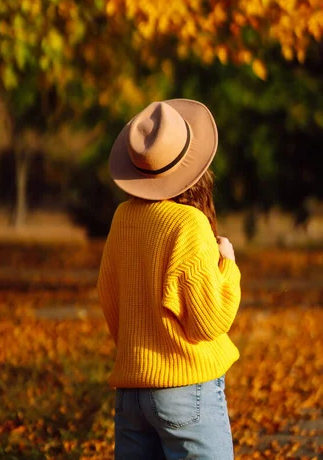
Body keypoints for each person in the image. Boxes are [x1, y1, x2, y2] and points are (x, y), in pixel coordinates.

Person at [97, 99, 241, 460]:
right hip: (184, 390)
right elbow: (209, 322)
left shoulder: (121, 219)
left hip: (132, 393)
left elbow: (110, 299)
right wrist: (229, 266)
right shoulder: (188, 224)